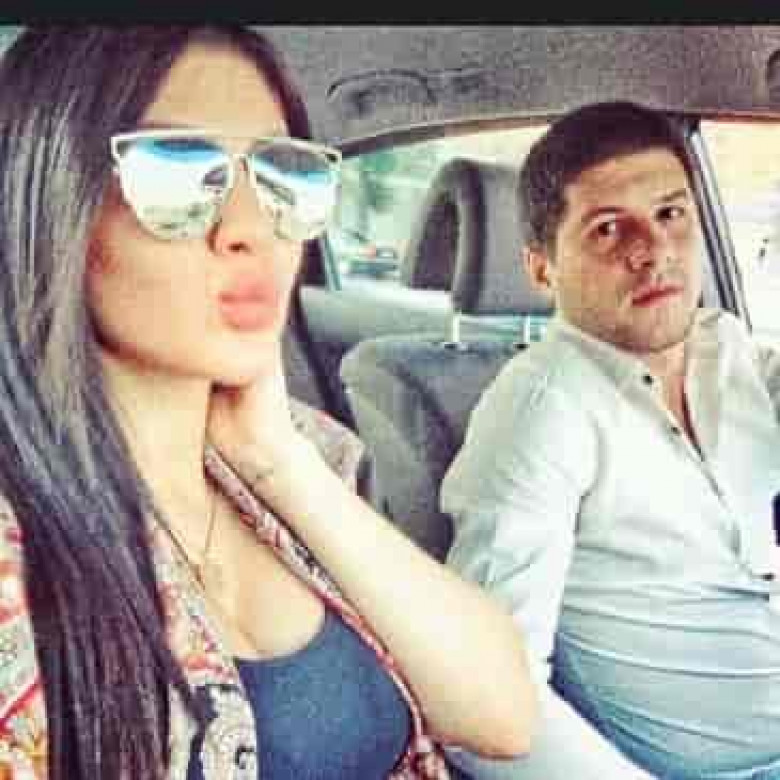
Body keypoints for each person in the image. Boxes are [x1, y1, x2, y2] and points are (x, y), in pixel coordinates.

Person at [0, 26, 536, 780]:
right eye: (176, 172)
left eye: (284, 175)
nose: (252, 228)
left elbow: (503, 716)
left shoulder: (304, 455)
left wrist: (278, 460)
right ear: (49, 200)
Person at [441, 100, 780, 780]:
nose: (653, 250)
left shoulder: (731, 352)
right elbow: (482, 702)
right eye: (607, 229)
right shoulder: (543, 407)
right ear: (542, 269)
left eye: (670, 213)